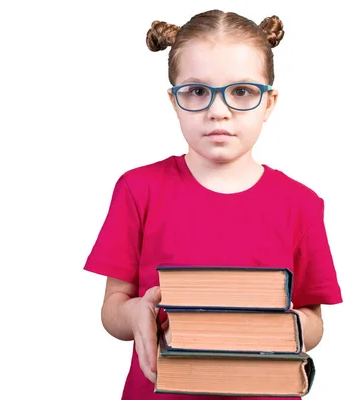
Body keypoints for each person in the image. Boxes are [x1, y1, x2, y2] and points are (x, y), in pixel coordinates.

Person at [84, 9, 342, 400]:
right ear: (174, 101)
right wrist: (138, 314)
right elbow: (113, 309)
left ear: (269, 103)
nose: (218, 110)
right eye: (197, 91)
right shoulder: (138, 189)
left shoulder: (301, 204)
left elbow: (314, 320)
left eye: (241, 92)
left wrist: (273, 327)